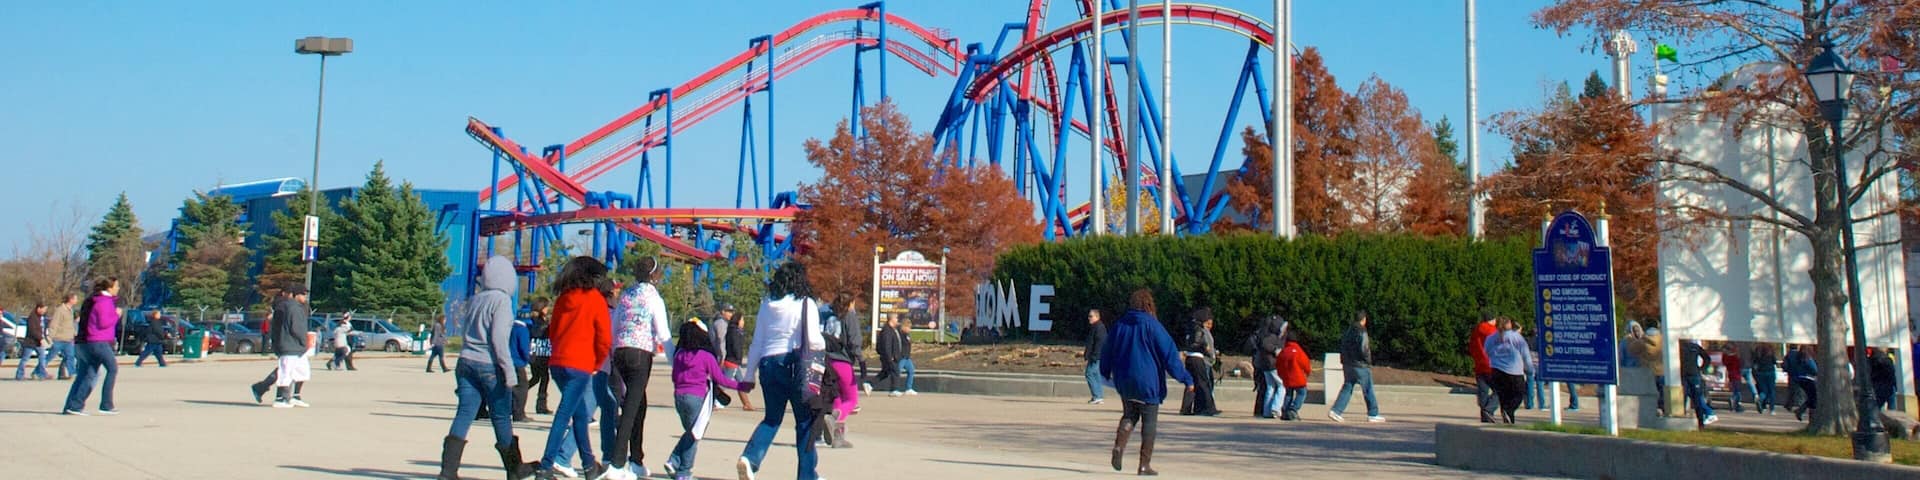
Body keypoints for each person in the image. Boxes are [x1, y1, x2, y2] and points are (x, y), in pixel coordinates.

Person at [439, 256, 538, 480]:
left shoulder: (476, 299)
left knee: (464, 413)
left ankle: (448, 471)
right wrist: (509, 372)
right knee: (501, 417)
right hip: (489, 364)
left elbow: (466, 332)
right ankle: (514, 469)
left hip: (465, 362)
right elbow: (499, 339)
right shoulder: (501, 301)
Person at [733, 261, 829, 480]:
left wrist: (748, 376)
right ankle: (807, 475)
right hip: (796, 364)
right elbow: (814, 340)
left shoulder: (767, 304)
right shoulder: (805, 303)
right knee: (805, 422)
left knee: (772, 418)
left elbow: (757, 342)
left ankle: (750, 457)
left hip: (768, 364)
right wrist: (826, 350)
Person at [1099, 288, 1194, 476]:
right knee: (1149, 423)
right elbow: (1169, 356)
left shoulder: (1120, 325)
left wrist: (1105, 372)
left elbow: (1107, 351)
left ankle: (1119, 446)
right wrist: (1186, 378)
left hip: (1125, 381)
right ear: (1149, 304)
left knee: (1129, 415)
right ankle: (1144, 464)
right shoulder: (1153, 326)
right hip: (1148, 382)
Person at [537, 257, 614, 480]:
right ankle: (546, 465)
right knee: (564, 415)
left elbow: (552, 332)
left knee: (580, 415)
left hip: (558, 363)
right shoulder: (595, 300)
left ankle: (589, 465)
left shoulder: (563, 298)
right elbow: (603, 338)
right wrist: (597, 363)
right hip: (580, 364)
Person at [605, 257, 675, 480]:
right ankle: (617, 464)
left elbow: (614, 326)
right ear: (654, 275)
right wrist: (677, 365)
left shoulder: (626, 294)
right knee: (631, 409)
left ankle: (636, 460)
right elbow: (663, 333)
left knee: (639, 404)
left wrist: (612, 353)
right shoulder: (653, 298)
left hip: (621, 352)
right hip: (640, 353)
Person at [664, 319, 743, 480]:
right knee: (695, 435)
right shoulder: (706, 356)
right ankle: (683, 470)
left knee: (691, 433)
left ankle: (675, 462)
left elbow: (674, 376)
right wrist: (741, 386)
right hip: (697, 397)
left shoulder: (678, 355)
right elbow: (720, 379)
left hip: (679, 396)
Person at [63, 278, 123, 416]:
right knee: (112, 369)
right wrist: (116, 315)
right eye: (116, 286)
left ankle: (73, 405)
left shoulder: (94, 300)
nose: (118, 288)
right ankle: (106, 404)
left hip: (88, 341)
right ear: (109, 288)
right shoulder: (104, 302)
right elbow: (103, 322)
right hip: (98, 341)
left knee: (87, 374)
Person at [1329, 310, 1384, 423]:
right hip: (1360, 364)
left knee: (1347, 387)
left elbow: (1343, 346)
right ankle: (1373, 413)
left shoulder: (1348, 330)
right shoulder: (1362, 331)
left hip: (1348, 363)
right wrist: (1368, 361)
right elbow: (1364, 348)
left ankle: (1336, 410)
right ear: (1363, 320)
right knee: (1368, 389)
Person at [821, 299, 862, 447]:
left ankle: (838, 437)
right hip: (843, 360)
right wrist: (861, 359)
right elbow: (854, 339)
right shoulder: (849, 315)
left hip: (828, 360)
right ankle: (833, 419)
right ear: (851, 302)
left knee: (838, 398)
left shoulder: (829, 316)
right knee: (851, 399)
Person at [268, 285, 314, 408]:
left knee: (302, 371)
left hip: (297, 347)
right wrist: (304, 341)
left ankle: (295, 396)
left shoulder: (295, 307)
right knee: (286, 372)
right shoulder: (292, 307)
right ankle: (280, 399)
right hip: (290, 345)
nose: (305, 296)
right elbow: (296, 328)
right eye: (303, 294)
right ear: (296, 295)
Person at [1485, 317, 1531, 424]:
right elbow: (1525, 354)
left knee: (1503, 394)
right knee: (1519, 393)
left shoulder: (1491, 338)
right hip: (1513, 370)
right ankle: (1508, 411)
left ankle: (1508, 417)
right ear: (1509, 324)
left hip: (1496, 369)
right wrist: (1530, 369)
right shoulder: (1516, 337)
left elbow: (1486, 351)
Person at [712, 303, 755, 411]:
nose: (731, 314)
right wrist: (722, 357)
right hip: (728, 359)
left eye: (732, 312)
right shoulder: (722, 324)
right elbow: (722, 342)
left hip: (731, 360)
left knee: (740, 382)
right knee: (725, 382)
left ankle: (746, 403)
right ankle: (713, 401)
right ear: (723, 312)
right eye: (728, 311)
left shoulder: (729, 326)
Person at [1179, 309, 1219, 416]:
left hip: (1189, 358)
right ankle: (1207, 408)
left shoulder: (1190, 328)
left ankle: (1186, 408)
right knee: (1203, 384)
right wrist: (1205, 347)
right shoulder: (1199, 330)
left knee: (1191, 383)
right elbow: (1198, 343)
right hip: (1198, 358)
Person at [1626, 324, 1667, 416]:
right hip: (1663, 370)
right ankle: (1662, 408)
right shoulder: (1663, 340)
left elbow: (1632, 350)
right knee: (1662, 392)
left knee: (1651, 393)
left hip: (1649, 371)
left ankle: (1654, 410)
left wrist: (1630, 339)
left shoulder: (1643, 341)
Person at [1249, 315, 1285, 419]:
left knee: (1270, 387)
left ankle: (1266, 411)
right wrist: (1276, 350)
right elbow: (1266, 345)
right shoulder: (1271, 337)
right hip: (1272, 365)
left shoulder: (1262, 334)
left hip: (1264, 366)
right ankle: (1275, 407)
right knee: (1282, 385)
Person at [1468, 311, 1499, 423]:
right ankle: (1489, 410)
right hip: (1492, 365)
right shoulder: (1493, 332)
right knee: (1501, 389)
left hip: (1479, 365)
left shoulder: (1475, 331)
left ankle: (1485, 417)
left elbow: (1471, 347)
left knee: (1483, 392)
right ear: (1493, 320)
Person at [1274, 328, 1311, 421]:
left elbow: (1278, 365)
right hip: (1298, 378)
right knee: (1302, 393)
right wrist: (1308, 372)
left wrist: (1281, 375)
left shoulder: (1283, 351)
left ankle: (1285, 411)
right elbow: (1305, 363)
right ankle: (1293, 409)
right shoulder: (1298, 350)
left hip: (1287, 378)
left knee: (1288, 394)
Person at [1680, 339, 1719, 426]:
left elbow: (1706, 358)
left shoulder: (1681, 347)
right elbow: (1707, 358)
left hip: (1688, 374)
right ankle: (1700, 421)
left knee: (1693, 396)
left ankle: (1702, 418)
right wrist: (1701, 368)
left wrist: (1701, 368)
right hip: (1691, 374)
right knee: (1694, 396)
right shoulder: (1694, 347)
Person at [528, 299, 555, 415]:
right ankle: (541, 404)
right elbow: (537, 333)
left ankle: (541, 403)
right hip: (538, 353)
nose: (548, 309)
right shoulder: (536, 322)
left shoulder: (541, 321)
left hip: (541, 353)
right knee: (541, 378)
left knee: (538, 378)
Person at [511, 304, 535, 423]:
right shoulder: (523, 330)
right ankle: (519, 414)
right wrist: (530, 358)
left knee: (509, 387)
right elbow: (524, 348)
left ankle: (509, 409)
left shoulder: (511, 327)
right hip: (518, 362)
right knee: (522, 388)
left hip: (507, 361)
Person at [15, 304, 51, 380]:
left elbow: (42, 330)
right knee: (25, 359)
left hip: (38, 342)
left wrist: (45, 338)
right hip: (31, 342)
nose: (45, 311)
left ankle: (42, 374)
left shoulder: (41, 317)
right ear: (39, 308)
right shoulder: (32, 317)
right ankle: (19, 375)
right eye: (44, 309)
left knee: (42, 358)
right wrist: (41, 339)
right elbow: (33, 331)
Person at [49, 294, 79, 380]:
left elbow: (70, 324)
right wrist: (51, 336)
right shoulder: (60, 310)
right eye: (75, 299)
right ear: (70, 299)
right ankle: (38, 371)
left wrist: (74, 333)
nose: (76, 301)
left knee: (70, 356)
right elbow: (54, 323)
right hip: (59, 338)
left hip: (68, 338)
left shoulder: (71, 310)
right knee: (50, 357)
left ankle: (72, 373)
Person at [1785, 344, 1819, 421]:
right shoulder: (1808, 359)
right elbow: (1814, 369)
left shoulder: (1797, 357)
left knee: (1810, 397)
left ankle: (1801, 410)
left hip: (1799, 378)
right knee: (1813, 398)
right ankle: (1802, 411)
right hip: (1808, 379)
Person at [1084, 309, 1109, 405]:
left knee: (1089, 374)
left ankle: (1097, 396)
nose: (1089, 318)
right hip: (1097, 356)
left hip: (1096, 356)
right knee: (1096, 375)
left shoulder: (1099, 327)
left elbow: (1100, 343)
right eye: (1089, 316)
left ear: (1097, 317)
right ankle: (1099, 396)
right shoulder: (1096, 327)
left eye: (1091, 316)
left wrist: (1094, 355)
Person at [873, 316, 902, 395]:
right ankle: (894, 389)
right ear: (891, 319)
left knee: (886, 372)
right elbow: (887, 344)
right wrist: (890, 356)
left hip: (894, 355)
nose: (897, 320)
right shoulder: (887, 330)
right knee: (895, 371)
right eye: (896, 318)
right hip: (890, 356)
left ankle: (870, 384)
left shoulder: (893, 329)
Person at [1750, 343, 1779, 415]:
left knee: (1764, 390)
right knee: (1772, 391)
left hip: (1760, 373)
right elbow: (1774, 362)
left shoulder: (1758, 351)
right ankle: (1772, 409)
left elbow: (1754, 362)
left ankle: (1760, 399)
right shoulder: (1770, 351)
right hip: (1770, 372)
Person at [892, 320, 917, 397]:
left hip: (907, 357)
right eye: (908, 327)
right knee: (897, 372)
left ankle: (908, 388)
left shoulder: (907, 335)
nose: (910, 329)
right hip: (901, 357)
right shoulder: (899, 334)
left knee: (911, 370)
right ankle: (894, 389)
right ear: (904, 327)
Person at [1722, 344, 1745, 413]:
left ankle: (1734, 401)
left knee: (1735, 389)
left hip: (1731, 374)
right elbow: (1741, 364)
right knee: (1737, 391)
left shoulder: (1725, 357)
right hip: (1737, 375)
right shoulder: (1735, 357)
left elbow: (1724, 363)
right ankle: (1736, 403)